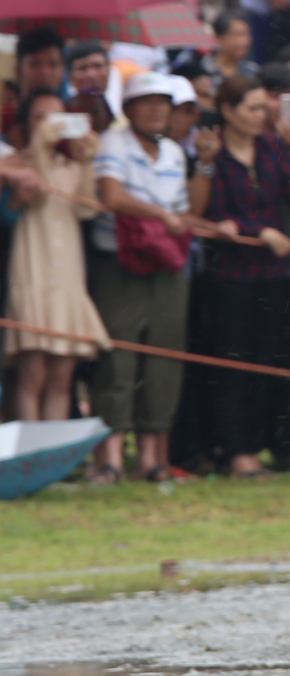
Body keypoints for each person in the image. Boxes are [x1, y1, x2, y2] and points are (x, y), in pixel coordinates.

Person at [188, 75, 290, 478]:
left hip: (273, 271)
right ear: (228, 111)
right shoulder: (211, 151)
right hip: (229, 272)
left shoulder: (271, 146)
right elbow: (206, 212)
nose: (261, 115)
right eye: (252, 108)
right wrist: (259, 233)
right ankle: (236, 450)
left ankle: (258, 444)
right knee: (232, 363)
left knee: (266, 359)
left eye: (262, 107)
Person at [87, 74, 200, 483]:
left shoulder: (173, 153)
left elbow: (184, 211)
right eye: (147, 102)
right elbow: (111, 196)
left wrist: (205, 223)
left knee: (165, 357)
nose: (156, 110)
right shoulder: (114, 143)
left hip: (166, 264)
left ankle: (153, 457)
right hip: (119, 262)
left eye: (163, 103)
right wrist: (161, 216)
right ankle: (111, 458)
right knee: (118, 357)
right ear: (130, 109)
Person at [7, 90, 109, 426]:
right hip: (31, 275)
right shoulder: (16, 164)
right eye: (40, 118)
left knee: (61, 379)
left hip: (67, 279)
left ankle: (51, 451)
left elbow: (86, 210)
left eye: (57, 117)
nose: (49, 126)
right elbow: (34, 194)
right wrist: (38, 146)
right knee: (32, 375)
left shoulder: (72, 167)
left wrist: (90, 160)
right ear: (26, 124)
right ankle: (27, 453)